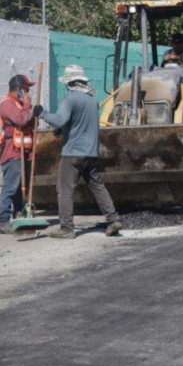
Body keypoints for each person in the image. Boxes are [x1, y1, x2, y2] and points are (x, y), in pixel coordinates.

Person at [33, 65, 121, 239]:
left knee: (64, 189)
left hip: (73, 153)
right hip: (91, 152)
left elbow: (58, 120)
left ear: (70, 83)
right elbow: (76, 123)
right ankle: (112, 219)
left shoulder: (70, 99)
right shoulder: (92, 101)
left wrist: (41, 113)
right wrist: (63, 129)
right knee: (96, 185)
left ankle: (66, 228)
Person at [0, 74, 36, 235]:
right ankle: (3, 221)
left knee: (19, 188)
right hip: (12, 152)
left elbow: (28, 121)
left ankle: (19, 214)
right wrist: (27, 106)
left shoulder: (19, 105)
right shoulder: (8, 104)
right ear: (19, 90)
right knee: (11, 186)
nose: (28, 93)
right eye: (26, 90)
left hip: (22, 152)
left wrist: (33, 111)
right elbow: (21, 120)